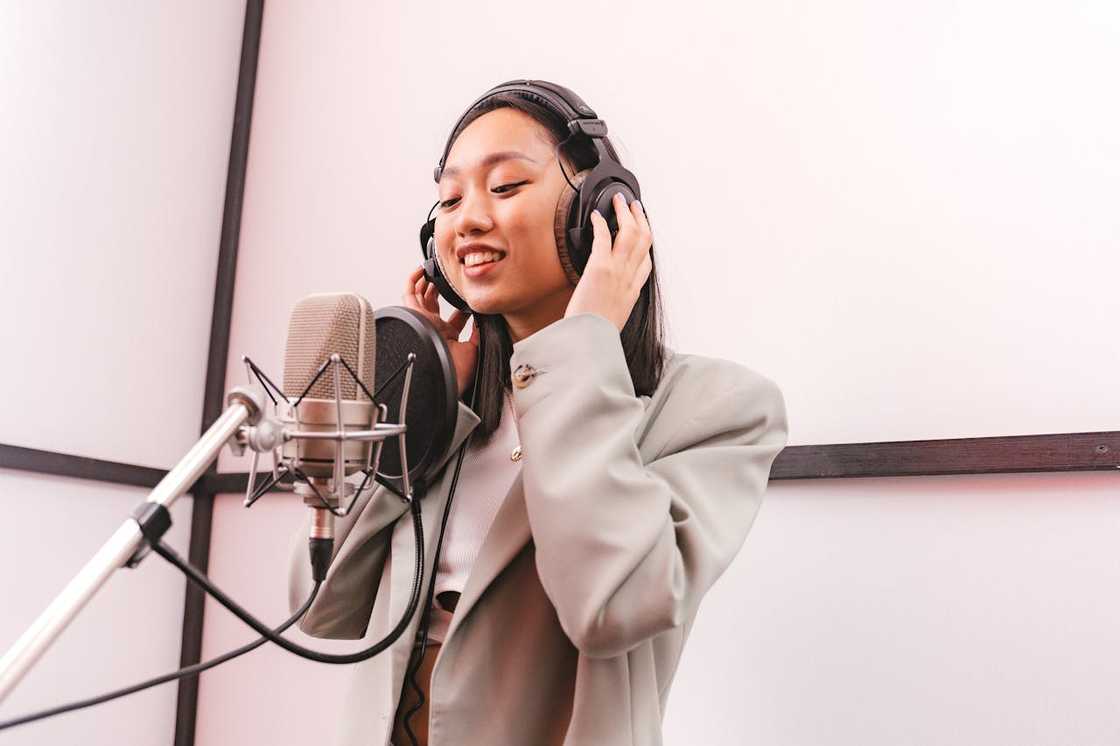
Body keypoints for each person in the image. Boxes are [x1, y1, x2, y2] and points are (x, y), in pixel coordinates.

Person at [288, 80, 789, 746]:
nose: (465, 219)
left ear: (597, 213)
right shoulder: (449, 410)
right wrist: (413, 412)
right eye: (449, 198)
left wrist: (582, 356)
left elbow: (613, 602)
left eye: (504, 188)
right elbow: (320, 607)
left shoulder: (720, 408)